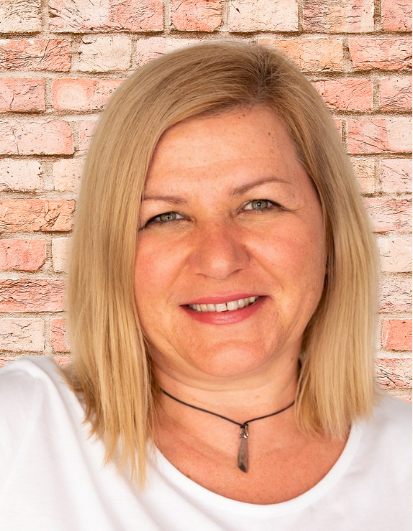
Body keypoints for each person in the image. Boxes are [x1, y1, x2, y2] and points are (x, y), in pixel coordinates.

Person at [0, 41, 410, 531]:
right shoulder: (21, 432)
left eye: (259, 204)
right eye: (166, 216)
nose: (219, 259)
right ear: (111, 254)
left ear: (330, 230)